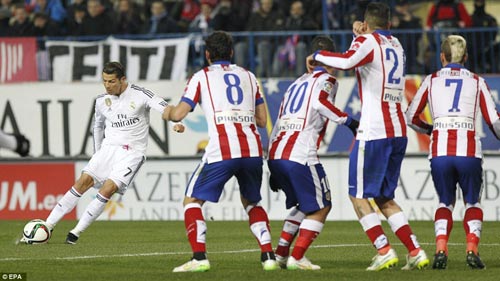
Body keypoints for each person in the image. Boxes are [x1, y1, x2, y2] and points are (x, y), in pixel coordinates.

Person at [306, 2, 429, 271]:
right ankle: (415, 251)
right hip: (397, 131)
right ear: (389, 23)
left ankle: (384, 250)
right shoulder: (396, 44)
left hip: (374, 131)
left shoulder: (369, 42)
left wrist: (319, 55)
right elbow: (368, 64)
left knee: (357, 194)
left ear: (366, 22)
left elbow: (350, 62)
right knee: (384, 197)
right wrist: (357, 36)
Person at [164, 31, 280, 272]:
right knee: (252, 202)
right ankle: (268, 256)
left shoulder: (201, 77)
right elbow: (261, 120)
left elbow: (179, 114)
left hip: (222, 151)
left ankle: (199, 257)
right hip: (252, 150)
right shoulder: (249, 76)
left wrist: (167, 112)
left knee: (192, 201)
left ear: (207, 54)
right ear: (231, 52)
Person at [41, 61, 184, 244]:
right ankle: (48, 225)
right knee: (82, 182)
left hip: (132, 152)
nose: (107, 86)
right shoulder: (101, 101)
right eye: (104, 81)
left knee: (108, 188)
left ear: (123, 79)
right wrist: (97, 152)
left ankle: (75, 233)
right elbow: (98, 126)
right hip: (108, 149)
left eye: (111, 81)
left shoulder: (140, 94)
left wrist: (175, 123)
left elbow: (165, 108)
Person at [406, 35, 500, 270]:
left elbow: (410, 116)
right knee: (473, 203)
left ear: (441, 57)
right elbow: (494, 121)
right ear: (466, 57)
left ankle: (440, 249)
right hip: (468, 151)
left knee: (445, 202)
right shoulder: (477, 81)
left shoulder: (431, 80)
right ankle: (472, 249)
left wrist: (430, 129)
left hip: (440, 151)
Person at [268, 35, 359, 270]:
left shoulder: (295, 83)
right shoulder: (328, 79)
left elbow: (277, 121)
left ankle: (280, 255)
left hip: (278, 152)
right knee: (322, 205)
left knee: (303, 202)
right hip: (301, 152)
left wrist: (271, 162)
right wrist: (349, 122)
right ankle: (297, 258)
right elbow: (320, 102)